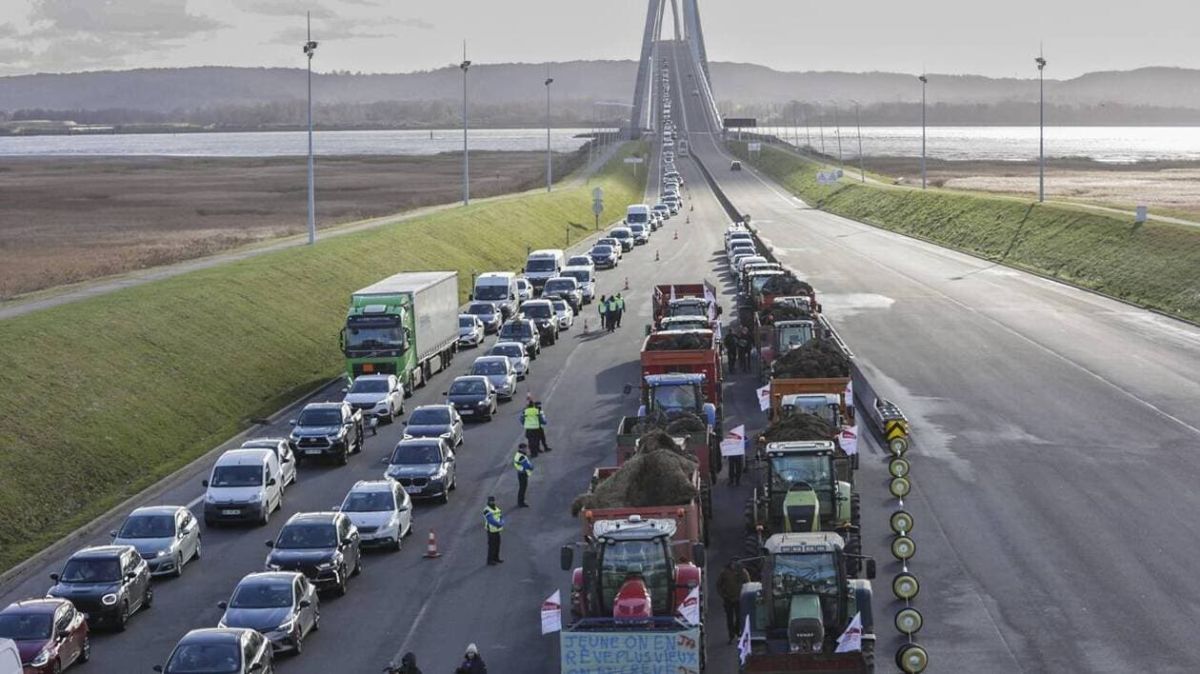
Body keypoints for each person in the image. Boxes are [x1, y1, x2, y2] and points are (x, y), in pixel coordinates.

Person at [717, 561, 751, 644]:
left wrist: (744, 595)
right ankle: (731, 635)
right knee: (729, 618)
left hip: (739, 599)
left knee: (739, 617)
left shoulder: (743, 572)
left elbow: (748, 584)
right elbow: (718, 585)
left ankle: (737, 630)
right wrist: (723, 595)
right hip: (728, 599)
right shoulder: (724, 572)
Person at [483, 497, 504, 565]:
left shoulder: (496, 508)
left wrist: (502, 523)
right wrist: (499, 524)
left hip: (497, 530)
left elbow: (501, 516)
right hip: (491, 531)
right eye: (491, 501)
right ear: (488, 502)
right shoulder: (486, 510)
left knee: (497, 545)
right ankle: (490, 560)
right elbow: (490, 520)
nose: (492, 502)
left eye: (493, 501)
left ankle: (496, 558)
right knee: (492, 546)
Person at [513, 442, 534, 507]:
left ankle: (521, 501)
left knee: (522, 488)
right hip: (522, 474)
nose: (526, 449)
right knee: (523, 488)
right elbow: (526, 465)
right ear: (522, 449)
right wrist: (531, 467)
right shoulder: (521, 457)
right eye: (525, 448)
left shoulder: (519, 454)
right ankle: (521, 502)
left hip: (520, 473)